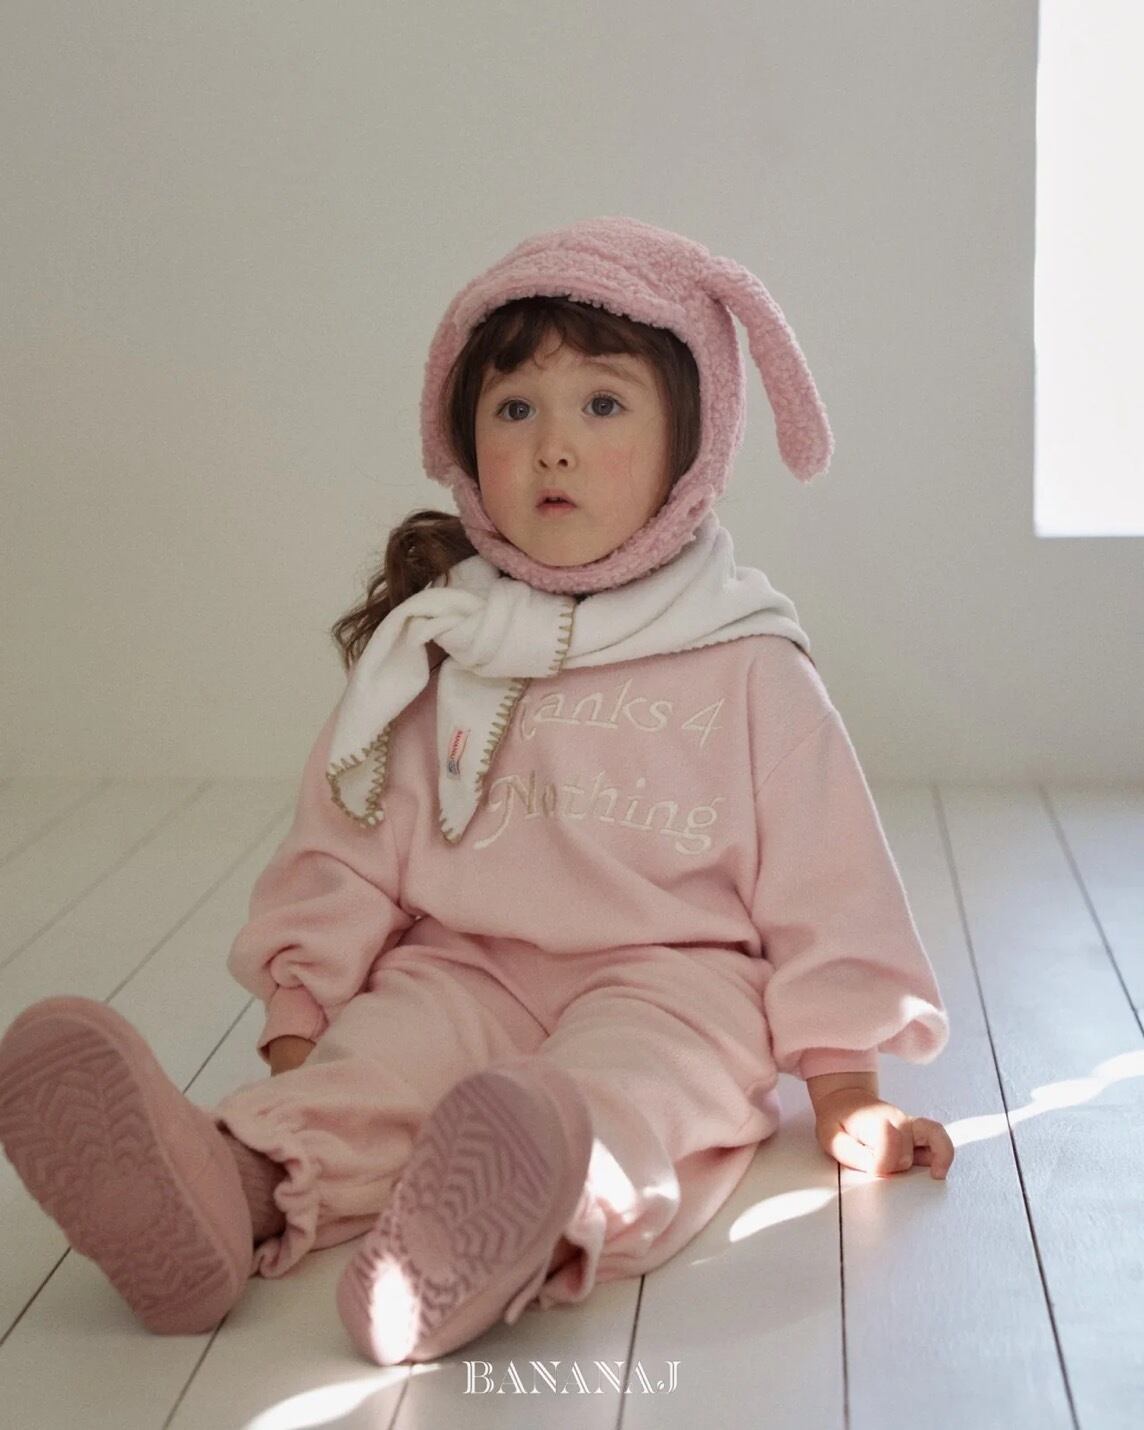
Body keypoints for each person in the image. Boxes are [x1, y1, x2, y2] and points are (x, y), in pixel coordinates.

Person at [0, 215, 955, 1367]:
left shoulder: (747, 658)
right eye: (513, 410)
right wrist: (305, 1014)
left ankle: (505, 1222)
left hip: (677, 979)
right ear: (462, 444)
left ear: (693, 445)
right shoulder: (445, 644)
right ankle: (222, 1185)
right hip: (459, 965)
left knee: (628, 1096)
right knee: (374, 1073)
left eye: (601, 404)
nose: (552, 446)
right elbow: (347, 840)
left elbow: (827, 883)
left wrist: (845, 1085)